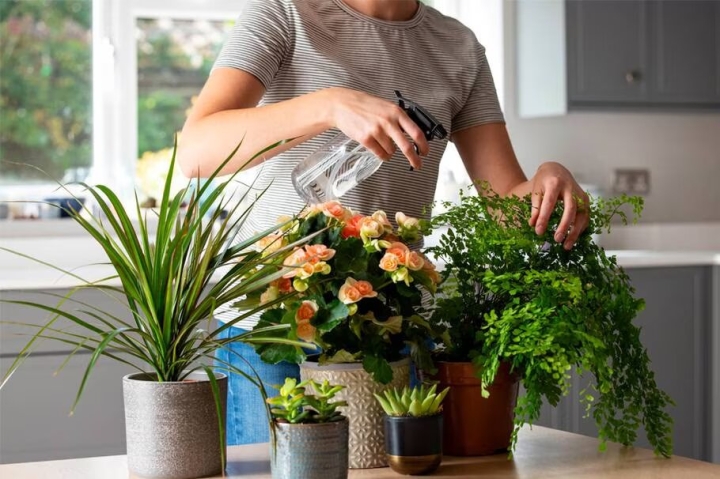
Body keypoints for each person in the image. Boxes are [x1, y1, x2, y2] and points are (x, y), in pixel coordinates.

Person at [178, 0, 590, 445]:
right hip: (274, 329)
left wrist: (548, 180)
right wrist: (330, 105)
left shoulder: (459, 48)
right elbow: (197, 151)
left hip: (388, 330)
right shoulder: (284, 12)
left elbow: (506, 209)